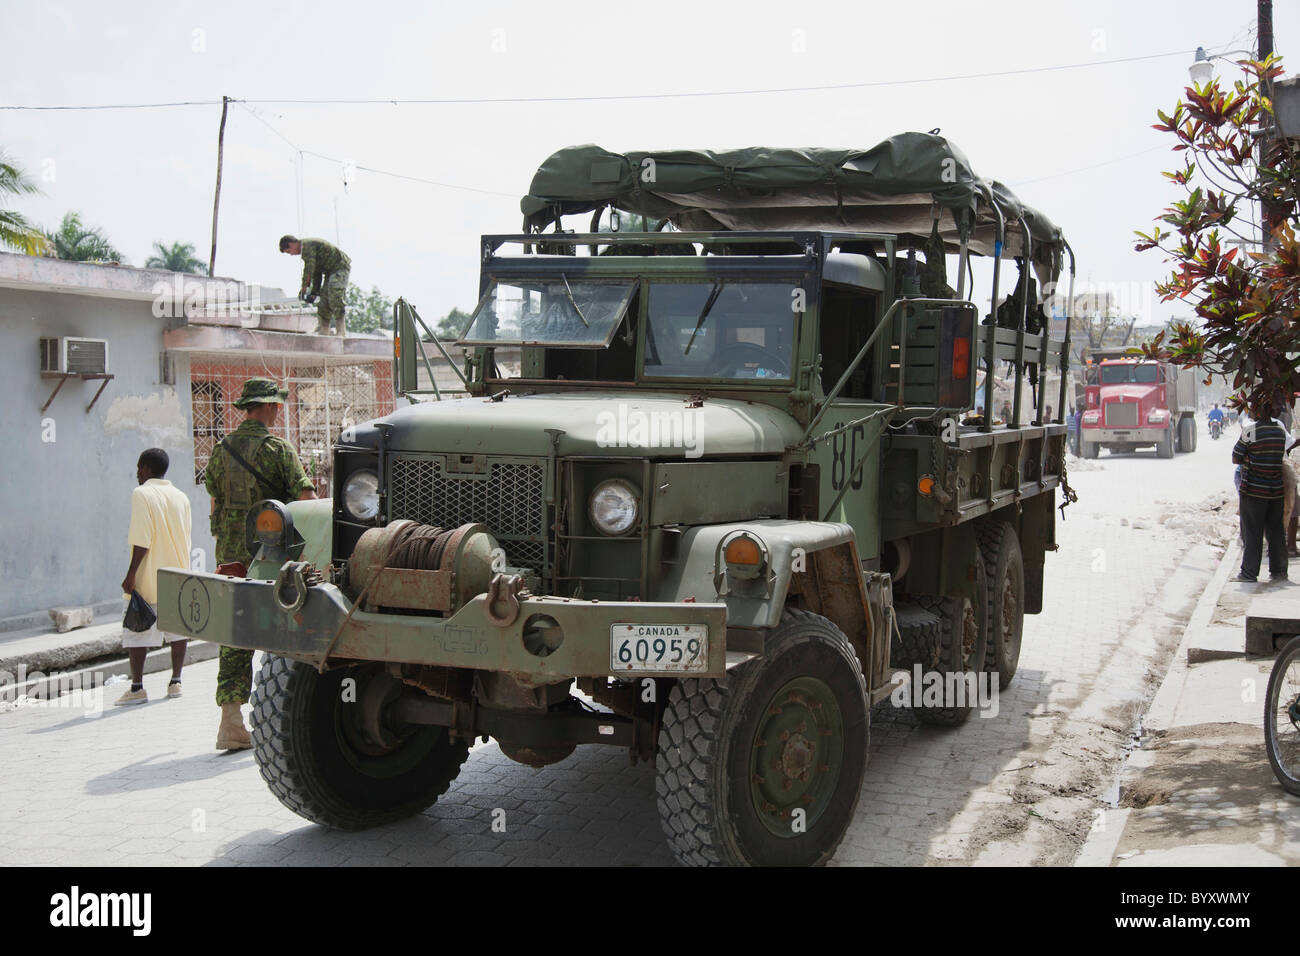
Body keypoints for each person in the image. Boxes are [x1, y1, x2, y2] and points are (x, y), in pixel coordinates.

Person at [205, 378, 317, 749]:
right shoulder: (277, 449)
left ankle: (230, 720)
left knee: (235, 631)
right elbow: (305, 498)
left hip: (231, 556)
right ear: (268, 407)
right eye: (276, 405)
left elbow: (215, 500)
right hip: (271, 558)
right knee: (292, 625)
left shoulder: (221, 449)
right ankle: (295, 718)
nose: (278, 411)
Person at [117, 448, 192, 705]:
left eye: (139, 468)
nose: (137, 473)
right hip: (177, 575)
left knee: (136, 629)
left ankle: (137, 688)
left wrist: (131, 573)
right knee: (177, 629)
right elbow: (186, 537)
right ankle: (176, 682)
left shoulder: (142, 493)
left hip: (148, 576)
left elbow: (142, 537)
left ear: (147, 469)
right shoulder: (181, 497)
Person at [1232, 400, 1289, 582]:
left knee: (1253, 532)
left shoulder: (1251, 431)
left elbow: (1236, 457)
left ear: (1258, 411)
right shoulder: (1279, 432)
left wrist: (1249, 458)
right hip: (1276, 491)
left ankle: (1249, 573)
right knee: (1276, 530)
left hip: (1254, 491)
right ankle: (1279, 571)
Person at [279, 235, 351, 337]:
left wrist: (304, 288)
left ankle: (341, 331)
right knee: (323, 302)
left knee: (334, 292)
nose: (291, 254)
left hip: (340, 266)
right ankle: (324, 330)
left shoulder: (307, 247)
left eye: (289, 251)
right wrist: (314, 292)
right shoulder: (307, 251)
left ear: (291, 244)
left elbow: (309, 270)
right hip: (329, 272)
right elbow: (316, 273)